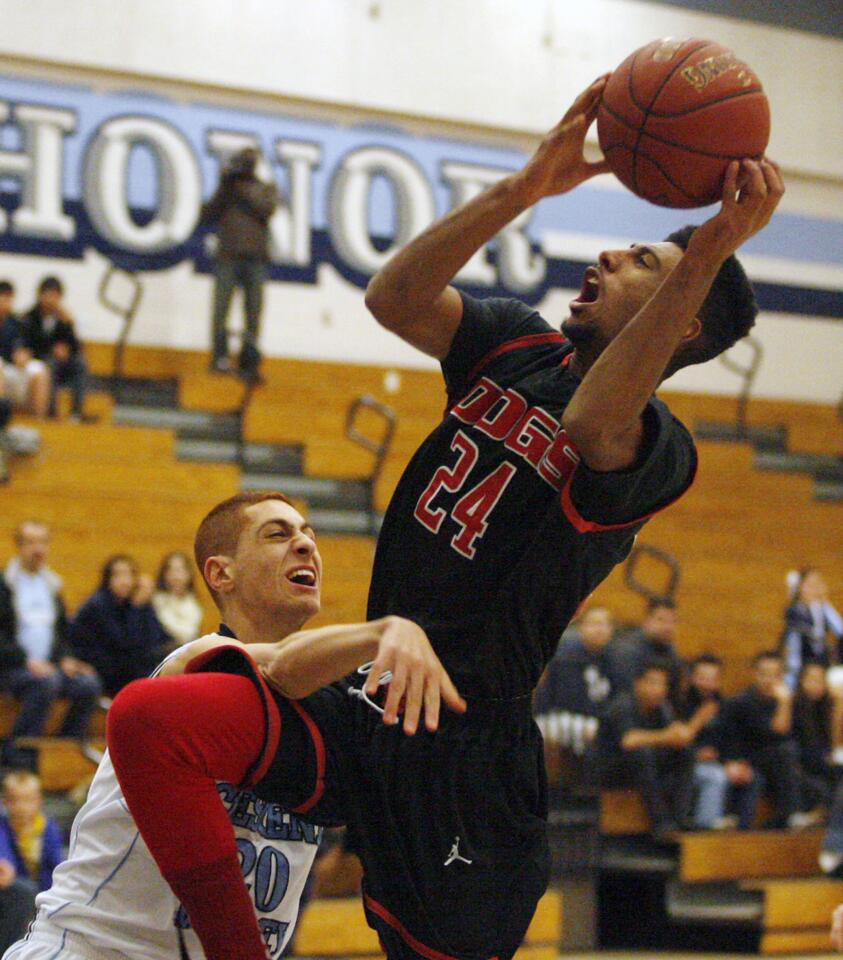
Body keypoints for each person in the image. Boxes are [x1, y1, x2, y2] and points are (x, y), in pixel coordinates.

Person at [119, 76, 783, 960]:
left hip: (468, 752)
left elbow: (587, 423)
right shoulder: (515, 342)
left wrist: (703, 252)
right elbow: (392, 299)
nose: (609, 261)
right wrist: (522, 191)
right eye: (623, 252)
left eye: (642, 266)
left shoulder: (659, 447)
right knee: (152, 722)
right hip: (368, 698)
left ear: (682, 322)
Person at [4, 491, 463, 960]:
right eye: (278, 535)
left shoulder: (330, 707)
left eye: (309, 534)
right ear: (221, 573)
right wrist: (384, 631)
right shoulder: (192, 662)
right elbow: (280, 665)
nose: (306, 545)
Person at [0, 521, 101, 768]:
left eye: (43, 542)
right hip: (12, 667)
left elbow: (61, 633)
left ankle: (64, 746)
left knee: (88, 684)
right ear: (19, 547)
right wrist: (24, 661)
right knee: (46, 682)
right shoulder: (5, 585)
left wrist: (65, 658)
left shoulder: (52, 585)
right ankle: (19, 751)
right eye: (31, 542)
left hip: (47, 667)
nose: (38, 549)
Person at [200, 147, 279, 381]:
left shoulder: (266, 188)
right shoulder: (227, 189)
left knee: (253, 313)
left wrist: (242, 186)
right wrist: (225, 186)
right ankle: (219, 356)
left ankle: (249, 361)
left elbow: (267, 209)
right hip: (228, 257)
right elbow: (207, 214)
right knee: (220, 310)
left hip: (256, 260)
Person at [719, 651, 818, 829]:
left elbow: (801, 738)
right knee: (785, 751)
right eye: (764, 673)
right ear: (755, 674)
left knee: (817, 784)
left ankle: (783, 822)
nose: (769, 679)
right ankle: (793, 814)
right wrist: (785, 702)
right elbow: (777, 732)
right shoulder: (742, 702)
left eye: (775, 675)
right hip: (749, 758)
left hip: (778, 763)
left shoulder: (791, 703)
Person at [597, 661, 695, 841]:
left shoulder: (662, 707)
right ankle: (661, 824)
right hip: (610, 770)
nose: (658, 689)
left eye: (663, 684)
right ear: (638, 683)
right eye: (652, 682)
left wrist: (680, 733)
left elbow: (675, 734)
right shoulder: (622, 705)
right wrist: (667, 736)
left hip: (645, 768)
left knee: (686, 752)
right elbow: (629, 740)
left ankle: (681, 818)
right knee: (642, 753)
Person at [534, 606, 613, 787]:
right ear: (581, 627)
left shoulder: (610, 658)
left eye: (605, 624)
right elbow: (569, 701)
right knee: (596, 732)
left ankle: (591, 796)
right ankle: (582, 795)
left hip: (593, 718)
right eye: (595, 624)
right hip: (553, 716)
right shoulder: (567, 656)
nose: (600, 629)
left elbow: (618, 696)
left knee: (606, 732)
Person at [70, 555, 170, 696]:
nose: (125, 581)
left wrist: (143, 607)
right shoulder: (98, 605)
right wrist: (136, 608)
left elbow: (157, 637)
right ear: (108, 579)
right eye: (119, 575)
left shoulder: (132, 602)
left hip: (126, 667)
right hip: (101, 669)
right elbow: (124, 643)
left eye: (129, 575)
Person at [680, 654, 759, 830]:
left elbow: (733, 740)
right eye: (702, 678)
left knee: (751, 776)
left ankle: (742, 831)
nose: (708, 684)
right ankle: (706, 828)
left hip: (718, 762)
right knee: (715, 776)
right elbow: (676, 742)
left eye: (713, 679)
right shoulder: (680, 704)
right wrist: (696, 753)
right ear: (692, 678)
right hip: (686, 765)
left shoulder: (725, 706)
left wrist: (733, 762)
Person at [0, 772, 63, 953]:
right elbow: (4, 854)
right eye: (15, 800)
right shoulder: (3, 826)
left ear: (38, 801)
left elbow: (56, 865)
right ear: (5, 802)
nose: (21, 807)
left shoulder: (49, 829)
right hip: (17, 887)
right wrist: (5, 866)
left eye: (27, 800)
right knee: (24, 892)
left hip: (42, 891)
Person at [20, 276, 90, 422]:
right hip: (42, 360)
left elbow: (75, 346)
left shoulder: (63, 318)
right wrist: (52, 349)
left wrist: (70, 325)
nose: (51, 299)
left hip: (63, 362)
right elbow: (28, 344)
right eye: (48, 295)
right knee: (49, 364)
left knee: (81, 362)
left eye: (55, 296)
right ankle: (51, 412)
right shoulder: (29, 317)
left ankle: (76, 413)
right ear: (40, 295)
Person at [605, 597, 686, 709]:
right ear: (647, 620)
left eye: (673, 621)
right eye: (661, 620)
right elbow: (623, 695)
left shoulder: (671, 651)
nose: (668, 627)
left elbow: (674, 694)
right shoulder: (627, 651)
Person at [782, 567, 843, 689]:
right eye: (810, 585)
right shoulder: (795, 610)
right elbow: (802, 639)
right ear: (800, 588)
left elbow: (840, 630)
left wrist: (825, 604)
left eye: (818, 585)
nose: (814, 589)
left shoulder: (822, 608)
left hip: (821, 661)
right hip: (800, 662)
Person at [0, 281, 50, 418]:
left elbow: (26, 347)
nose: (5, 303)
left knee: (39, 369)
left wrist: (24, 355)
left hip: (13, 368)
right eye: (2, 298)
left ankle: (39, 420)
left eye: (9, 299)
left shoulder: (18, 323)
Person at [152, 550, 205, 648]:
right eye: (171, 570)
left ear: (189, 574)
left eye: (180, 570)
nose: (176, 576)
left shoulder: (193, 603)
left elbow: (189, 634)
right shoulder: (155, 603)